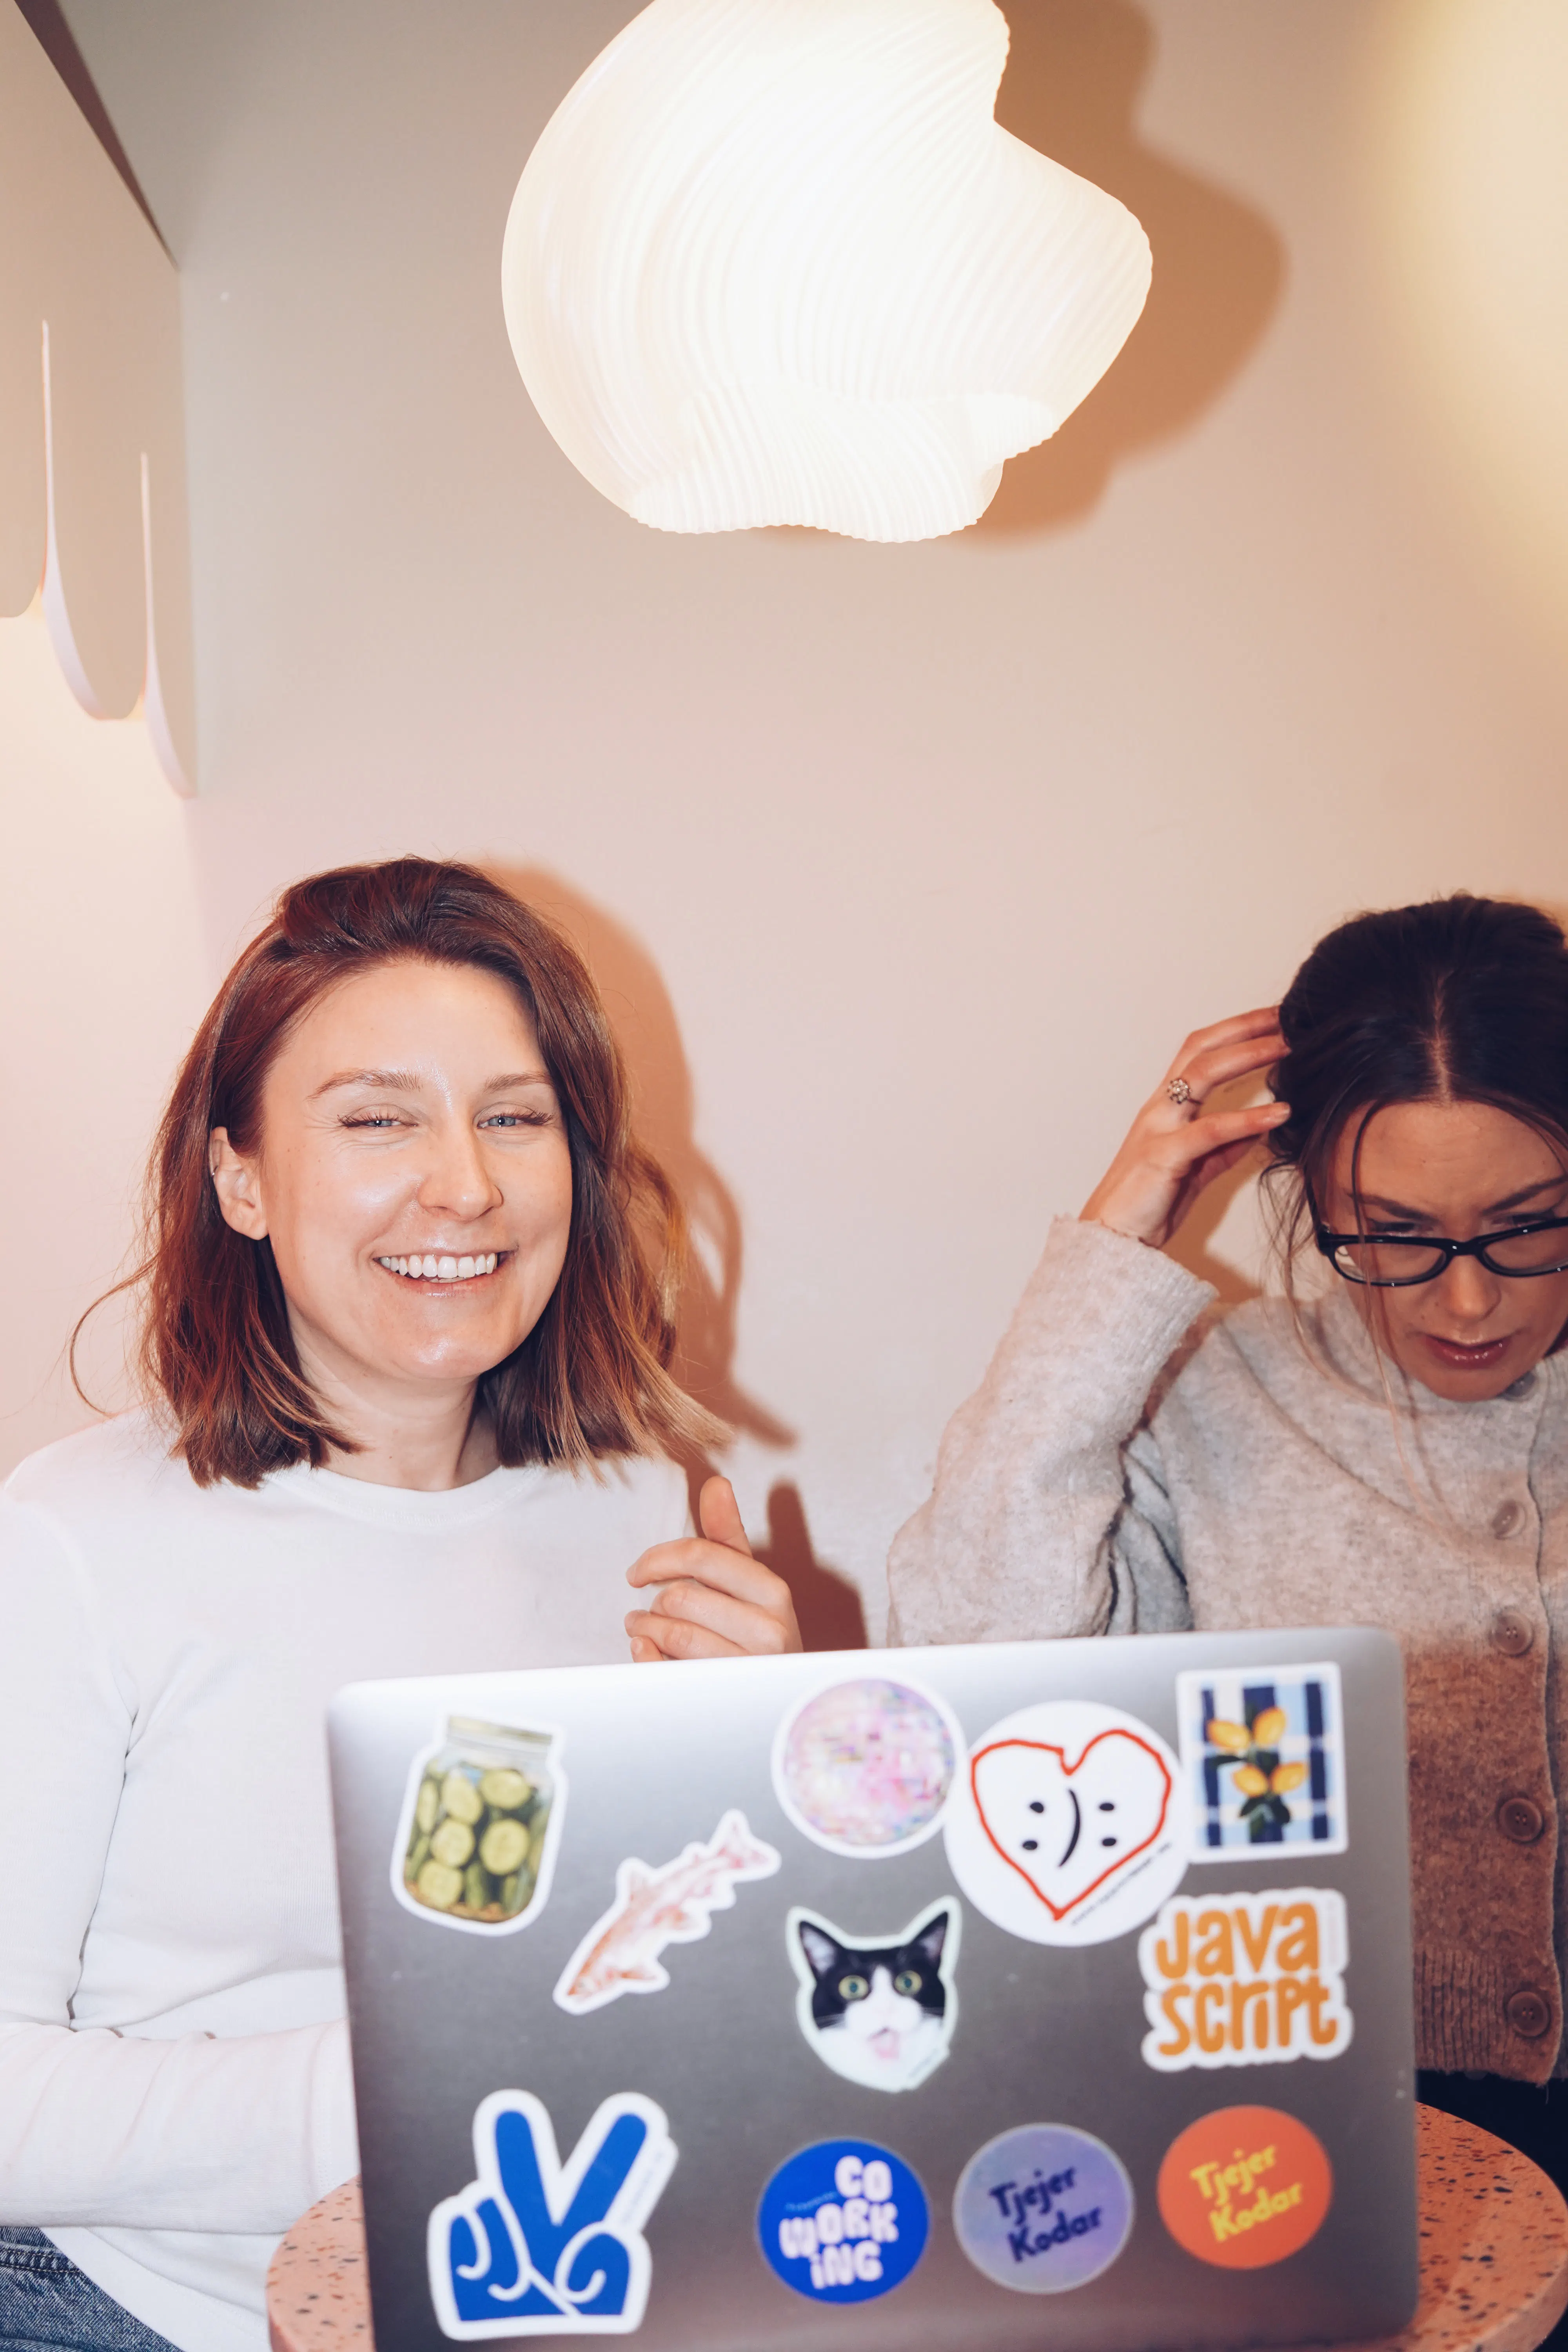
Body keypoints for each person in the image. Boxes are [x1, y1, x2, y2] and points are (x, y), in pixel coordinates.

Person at [0, 858, 799, 2352]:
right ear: (240, 1178)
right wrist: (417, 2086)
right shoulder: (66, 1540)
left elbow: (683, 2001)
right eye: (377, 1119)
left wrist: (780, 1777)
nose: (468, 1186)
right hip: (133, 2307)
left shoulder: (647, 1513)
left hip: (536, 2286)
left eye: (516, 1117)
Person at [888, 894, 1568, 2226]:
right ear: (1306, 1192)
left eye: (1530, 1224)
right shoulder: (1212, 1396)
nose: (1468, 1299)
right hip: (1318, 2148)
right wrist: (1111, 1256)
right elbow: (979, 1680)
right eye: (1396, 1234)